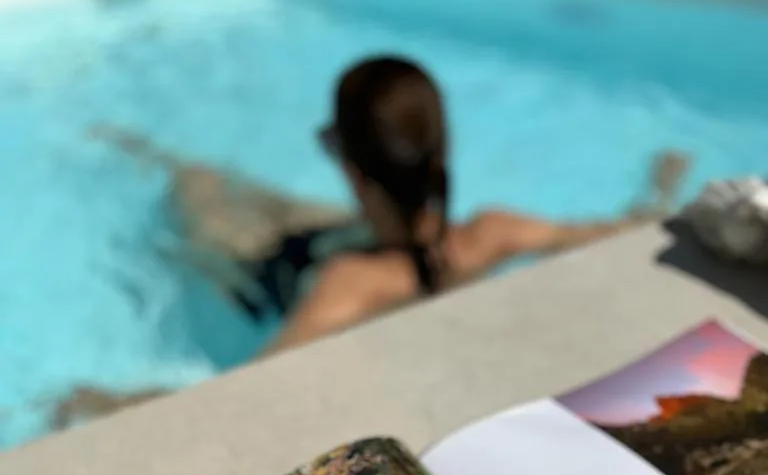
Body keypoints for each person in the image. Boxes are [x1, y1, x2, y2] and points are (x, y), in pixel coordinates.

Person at [266, 55, 687, 353]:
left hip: (294, 267)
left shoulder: (348, 283)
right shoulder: (493, 233)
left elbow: (248, 387)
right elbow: (612, 232)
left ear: (352, 172)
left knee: (241, 220)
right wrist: (659, 193)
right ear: (443, 149)